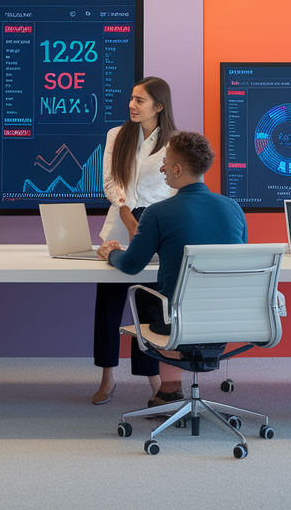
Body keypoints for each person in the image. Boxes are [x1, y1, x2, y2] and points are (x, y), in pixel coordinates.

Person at [98, 131, 247, 342]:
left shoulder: (157, 213)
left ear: (177, 169)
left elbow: (131, 266)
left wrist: (112, 253)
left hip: (174, 323)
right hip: (224, 319)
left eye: (165, 162)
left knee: (143, 294)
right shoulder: (234, 209)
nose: (162, 168)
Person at [92, 76, 178, 406]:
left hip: (157, 228)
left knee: (148, 308)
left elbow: (174, 189)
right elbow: (111, 181)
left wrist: (148, 222)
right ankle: (107, 377)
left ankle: (154, 382)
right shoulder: (117, 135)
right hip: (119, 228)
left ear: (158, 106)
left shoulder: (173, 141)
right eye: (131, 98)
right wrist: (127, 212)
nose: (132, 104)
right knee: (109, 307)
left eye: (139, 100)